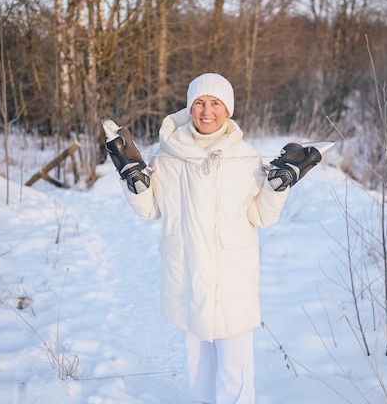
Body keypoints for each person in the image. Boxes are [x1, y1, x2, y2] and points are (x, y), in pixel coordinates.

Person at [103, 73, 321, 403]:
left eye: (215, 103)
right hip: (187, 276)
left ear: (227, 109)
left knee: (236, 374)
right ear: (190, 108)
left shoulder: (245, 157)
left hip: (231, 279)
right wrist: (131, 176)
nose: (207, 111)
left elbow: (260, 215)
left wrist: (278, 186)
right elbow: (149, 209)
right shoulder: (168, 156)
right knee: (198, 373)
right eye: (200, 103)